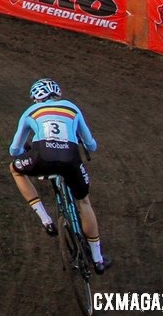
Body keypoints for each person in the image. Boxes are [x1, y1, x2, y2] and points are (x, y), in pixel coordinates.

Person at [8, 78, 111, 274]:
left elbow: (14, 149)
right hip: (70, 158)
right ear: (57, 94)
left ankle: (45, 220)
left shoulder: (29, 111)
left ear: (35, 98)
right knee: (84, 202)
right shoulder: (72, 108)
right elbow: (92, 145)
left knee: (14, 169)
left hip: (41, 156)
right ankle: (98, 259)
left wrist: (24, 151)